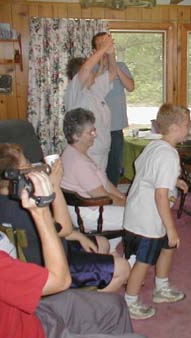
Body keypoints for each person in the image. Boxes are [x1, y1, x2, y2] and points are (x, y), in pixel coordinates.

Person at [0, 148, 143, 338]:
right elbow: (61, 280)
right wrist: (42, 211)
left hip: (27, 313)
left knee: (115, 305)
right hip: (34, 331)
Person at [0, 143, 129, 292]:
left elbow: (56, 229)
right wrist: (55, 185)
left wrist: (79, 236)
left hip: (48, 247)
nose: (31, 165)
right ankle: (85, 305)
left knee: (102, 242)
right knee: (123, 268)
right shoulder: (27, 205)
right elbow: (65, 228)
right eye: (26, 163)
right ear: (14, 175)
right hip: (51, 264)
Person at [123, 103, 190, 320]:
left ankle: (162, 288)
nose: (190, 128)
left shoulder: (155, 146)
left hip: (139, 212)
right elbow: (160, 195)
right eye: (187, 125)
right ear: (174, 127)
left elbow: (141, 167)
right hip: (148, 220)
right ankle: (130, 302)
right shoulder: (169, 155)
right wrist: (171, 229)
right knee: (144, 261)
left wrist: (174, 180)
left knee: (168, 248)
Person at [61, 108, 126, 252]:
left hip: (91, 208)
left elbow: (106, 184)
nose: (95, 135)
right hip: (90, 214)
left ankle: (110, 250)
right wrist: (129, 204)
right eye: (90, 132)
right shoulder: (79, 162)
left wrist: (123, 197)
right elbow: (103, 196)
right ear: (76, 136)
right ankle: (134, 260)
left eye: (94, 130)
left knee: (133, 210)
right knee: (141, 218)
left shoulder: (74, 152)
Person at [64, 33, 115, 170]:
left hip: (102, 153)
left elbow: (112, 73)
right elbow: (86, 68)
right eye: (92, 70)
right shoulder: (74, 91)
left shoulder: (94, 89)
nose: (93, 71)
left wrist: (110, 53)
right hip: (87, 154)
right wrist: (102, 48)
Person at [92, 32, 135, 186]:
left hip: (116, 127)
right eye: (101, 45)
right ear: (95, 50)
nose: (106, 47)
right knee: (96, 167)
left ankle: (112, 197)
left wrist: (114, 66)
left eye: (108, 44)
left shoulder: (121, 66)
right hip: (96, 128)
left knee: (114, 167)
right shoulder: (92, 68)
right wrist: (103, 64)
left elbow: (130, 87)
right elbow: (91, 89)